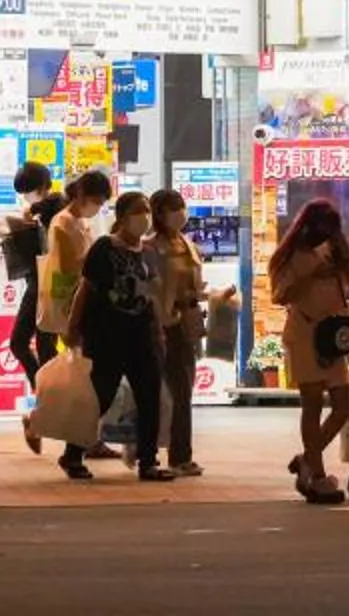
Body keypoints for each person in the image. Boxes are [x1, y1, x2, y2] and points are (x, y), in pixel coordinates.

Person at [78, 191, 173, 486]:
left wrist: (159, 327)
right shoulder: (104, 248)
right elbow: (86, 289)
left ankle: (148, 461)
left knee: (149, 397)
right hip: (108, 334)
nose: (144, 217)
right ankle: (73, 451)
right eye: (137, 211)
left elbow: (153, 294)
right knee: (100, 397)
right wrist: (72, 327)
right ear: (121, 217)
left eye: (147, 211)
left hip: (141, 334)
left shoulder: (148, 252)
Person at [271, 197, 349, 501]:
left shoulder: (333, 250)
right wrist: (310, 277)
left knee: (344, 403)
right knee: (313, 404)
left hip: (331, 336)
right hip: (305, 332)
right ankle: (316, 475)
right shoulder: (290, 255)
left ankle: (307, 458)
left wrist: (343, 254)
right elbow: (280, 295)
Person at [40, 170, 109, 477]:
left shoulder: (80, 222)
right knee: (83, 383)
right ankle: (46, 425)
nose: (97, 207)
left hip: (85, 306)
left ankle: (87, 440)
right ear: (81, 196)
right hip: (73, 306)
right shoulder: (64, 223)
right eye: (95, 200)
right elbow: (72, 266)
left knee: (88, 380)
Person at [148, 188, 208, 481]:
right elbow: (150, 289)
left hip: (188, 321)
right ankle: (174, 455)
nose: (180, 213)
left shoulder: (187, 243)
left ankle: (177, 454)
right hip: (161, 325)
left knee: (183, 389)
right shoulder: (151, 247)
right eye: (174, 208)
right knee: (173, 391)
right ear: (159, 213)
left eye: (182, 207)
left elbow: (196, 284)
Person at [1, 160, 61, 397]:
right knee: (19, 343)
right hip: (36, 285)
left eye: (28, 191)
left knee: (46, 347)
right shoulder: (41, 212)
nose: (26, 197)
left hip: (51, 287)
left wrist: (34, 213)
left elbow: (56, 202)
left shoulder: (55, 206)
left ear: (43, 186)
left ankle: (54, 395)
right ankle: (44, 389)